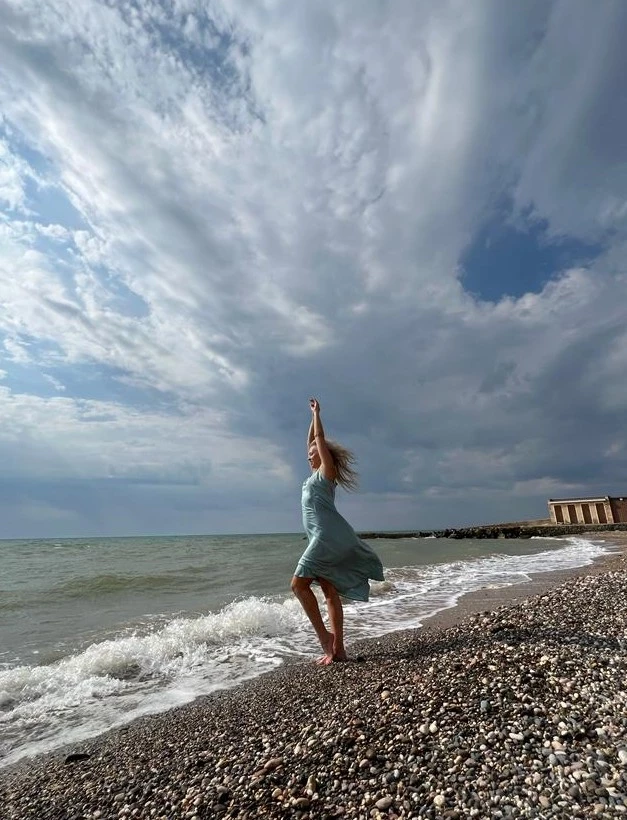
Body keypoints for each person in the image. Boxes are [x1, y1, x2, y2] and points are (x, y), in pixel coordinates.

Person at [291, 398, 385, 665]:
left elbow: (318, 437)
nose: (309, 453)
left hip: (326, 537)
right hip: (323, 537)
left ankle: (325, 639)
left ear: (324, 454)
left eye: (314, 451)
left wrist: (318, 414)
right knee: (330, 592)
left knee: (298, 585)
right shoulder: (312, 477)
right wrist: (311, 419)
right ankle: (339, 650)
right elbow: (312, 439)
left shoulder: (326, 473)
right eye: (309, 452)